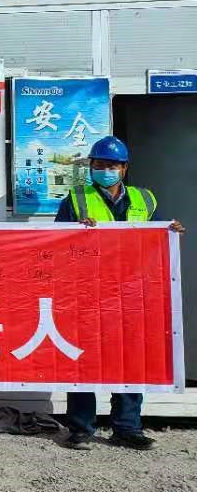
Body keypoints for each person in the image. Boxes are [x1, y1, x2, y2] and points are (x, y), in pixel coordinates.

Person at [54, 136, 185, 452]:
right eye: (99, 165)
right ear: (90, 166)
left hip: (132, 291)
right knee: (84, 358)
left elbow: (156, 237)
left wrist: (170, 231)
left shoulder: (145, 199)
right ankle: (80, 428)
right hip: (89, 290)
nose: (105, 170)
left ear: (124, 168)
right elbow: (57, 241)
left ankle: (127, 427)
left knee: (130, 358)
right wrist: (77, 230)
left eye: (112, 165)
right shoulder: (76, 199)